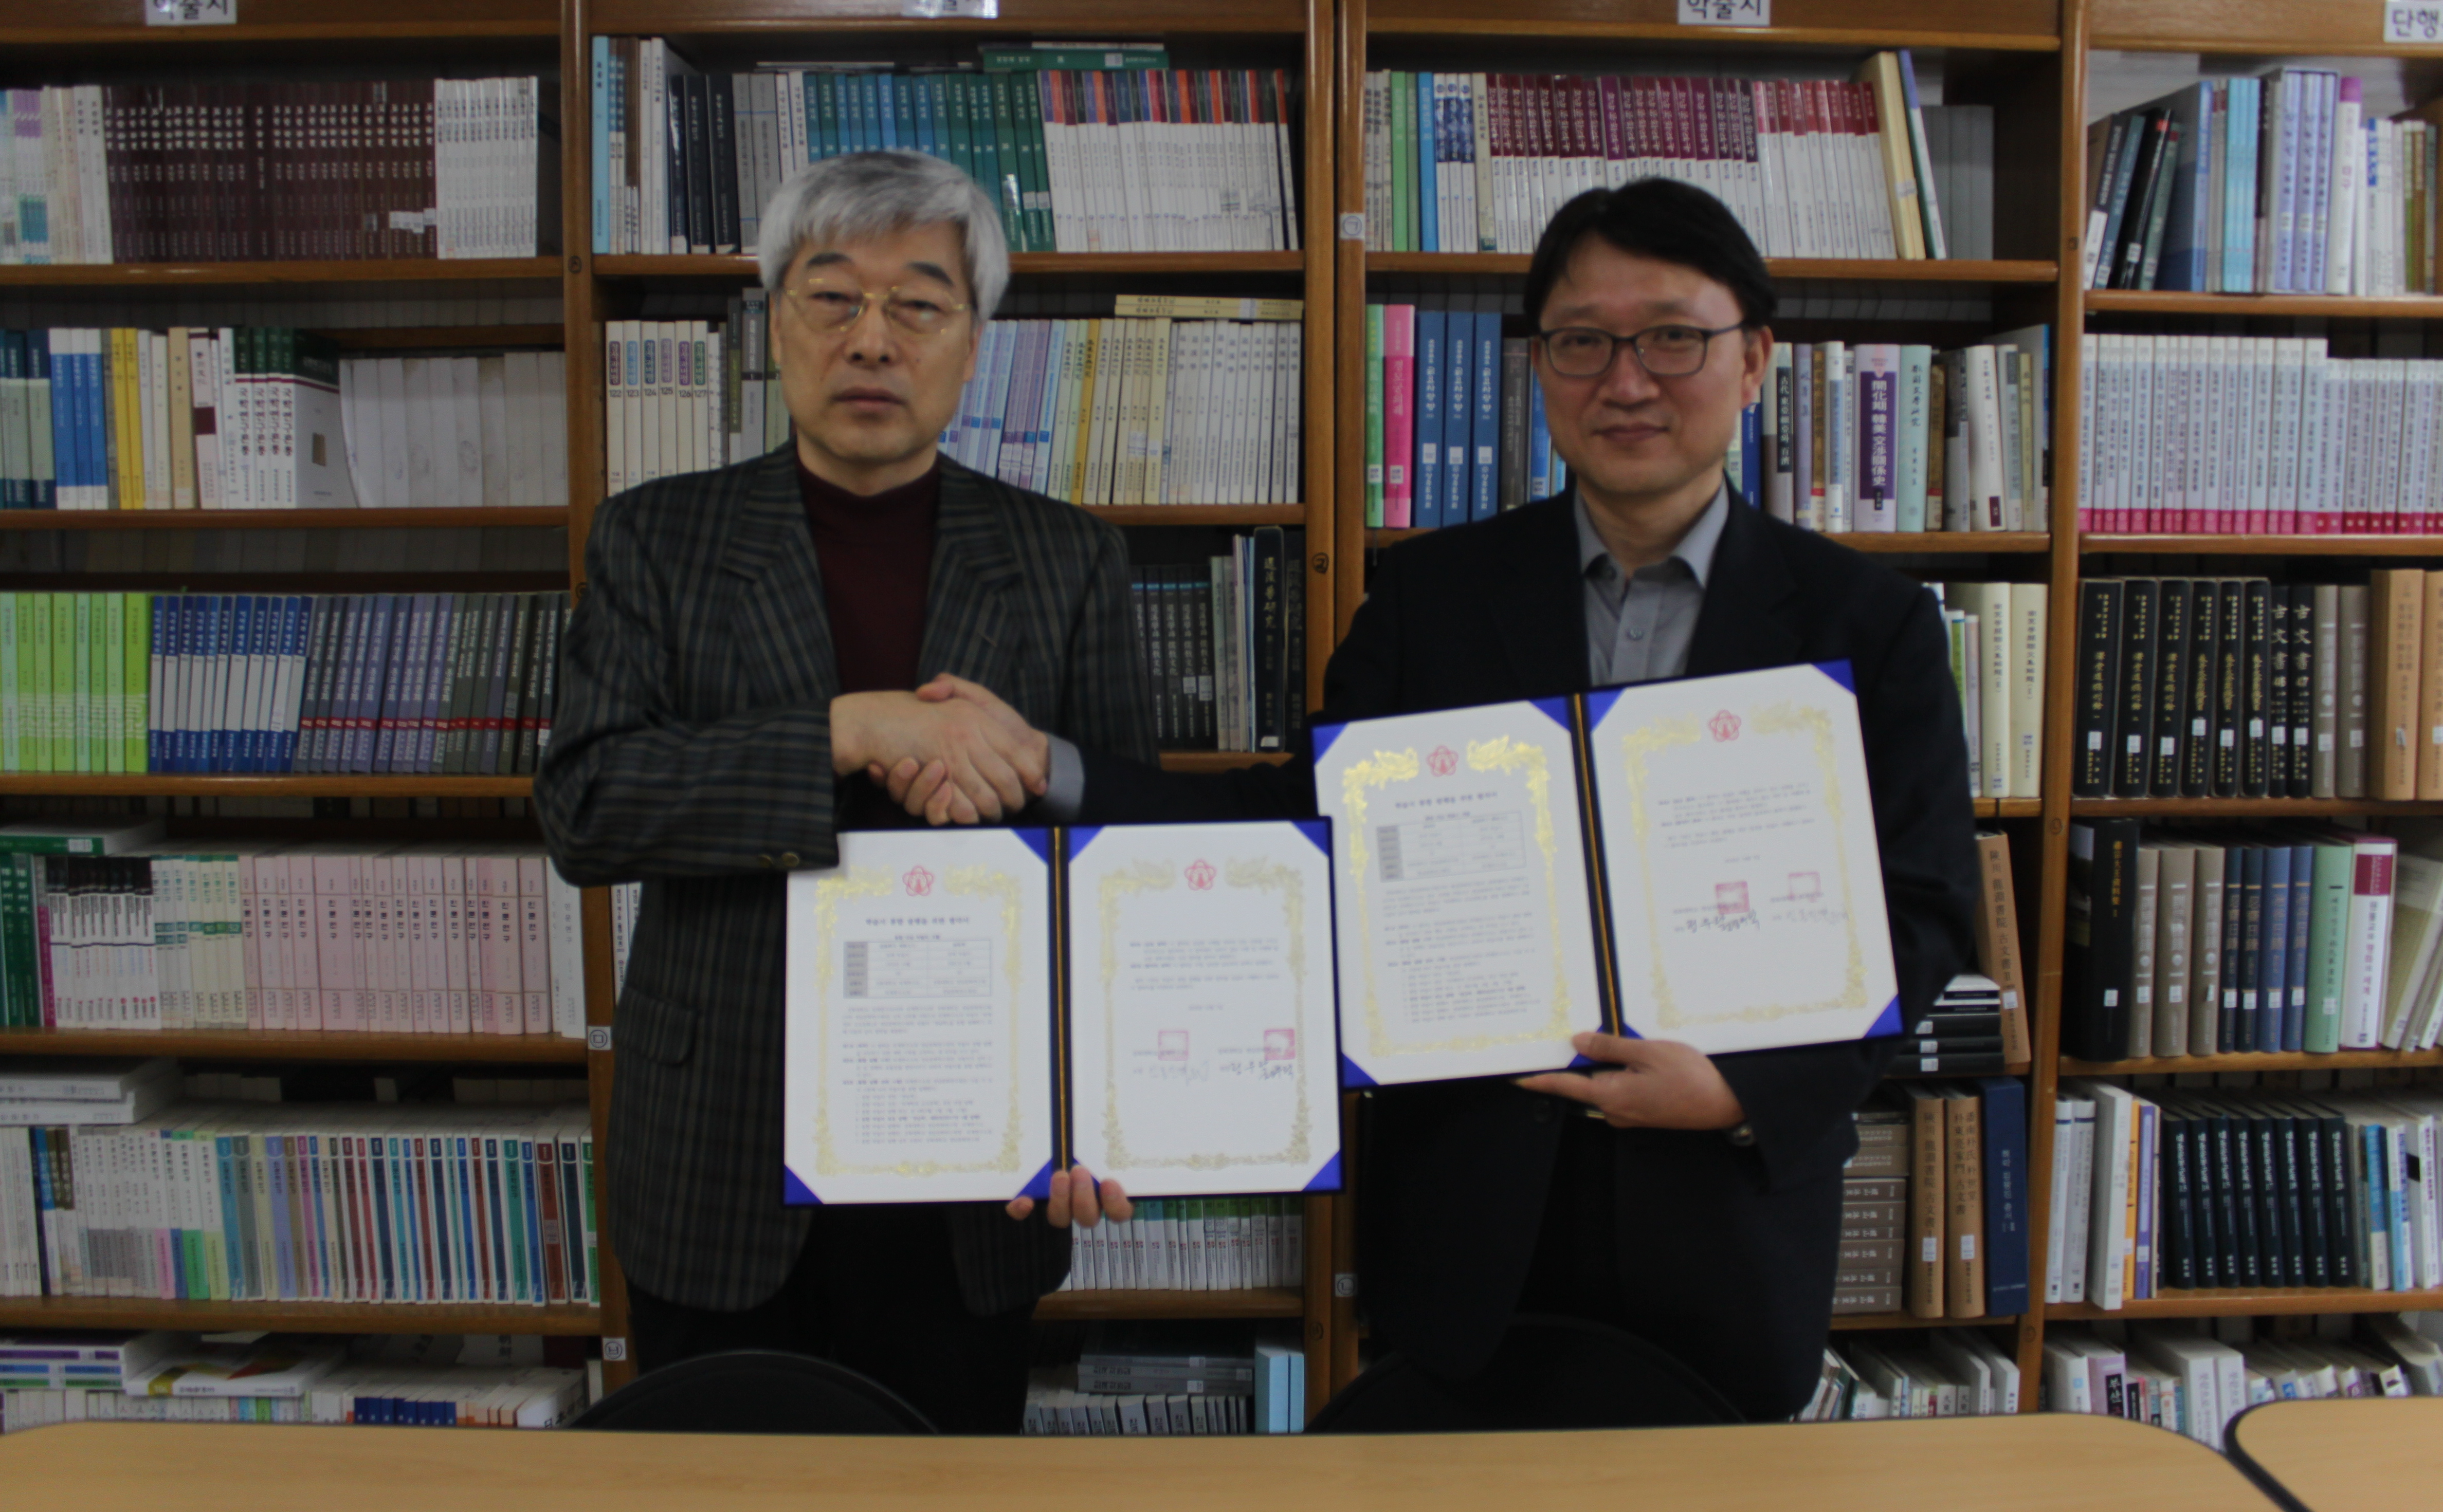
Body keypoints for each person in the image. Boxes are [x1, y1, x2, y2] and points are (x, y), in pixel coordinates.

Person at [896, 178, 1980, 1419]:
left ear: (1754, 362)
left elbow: (1926, 911)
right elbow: (1297, 840)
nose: (1627, 381)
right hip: (1472, 1227)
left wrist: (1743, 1091)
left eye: (1674, 338)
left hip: (1725, 1229)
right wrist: (1053, 767)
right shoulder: (1436, 596)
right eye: (1582, 342)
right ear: (1540, 368)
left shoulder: (1867, 624)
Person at [535, 150, 1154, 1432]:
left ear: (973, 345)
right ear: (776, 326)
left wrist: (1102, 1106)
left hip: (975, 1158)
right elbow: (587, 803)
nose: (873, 339)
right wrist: (844, 730)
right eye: (833, 299)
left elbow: (1121, 849)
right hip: (723, 1149)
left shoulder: (1068, 559)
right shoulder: (656, 539)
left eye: (918, 304)